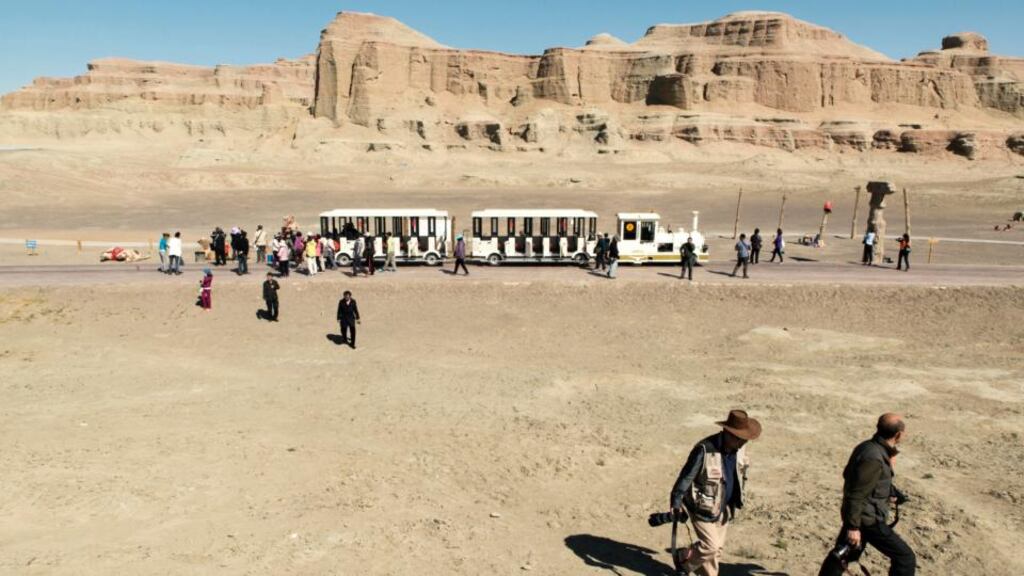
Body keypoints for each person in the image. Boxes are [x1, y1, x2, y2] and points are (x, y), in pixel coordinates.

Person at [818, 414, 916, 576]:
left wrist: (889, 493)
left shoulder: (868, 448)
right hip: (868, 520)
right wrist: (853, 527)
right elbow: (857, 493)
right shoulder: (874, 457)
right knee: (905, 557)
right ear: (898, 435)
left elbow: (855, 478)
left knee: (842, 555)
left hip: (861, 516)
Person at [669, 410, 761, 576]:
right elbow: (685, 478)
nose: (742, 443)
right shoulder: (704, 450)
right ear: (728, 433)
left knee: (716, 550)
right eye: (740, 438)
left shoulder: (739, 449)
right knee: (710, 547)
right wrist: (676, 503)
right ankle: (684, 559)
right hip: (702, 508)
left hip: (724, 507)